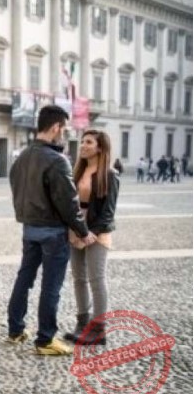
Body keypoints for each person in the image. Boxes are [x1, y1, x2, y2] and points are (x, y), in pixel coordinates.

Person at [7, 105, 95, 356]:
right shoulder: (57, 160)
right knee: (51, 286)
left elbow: (16, 190)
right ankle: (45, 340)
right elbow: (68, 202)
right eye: (64, 129)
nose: (64, 133)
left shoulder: (21, 157)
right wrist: (83, 230)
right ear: (56, 127)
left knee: (24, 278)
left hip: (29, 228)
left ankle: (15, 330)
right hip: (53, 232)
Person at [64, 130, 120, 346]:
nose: (83, 145)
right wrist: (76, 228)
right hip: (76, 228)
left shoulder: (110, 175)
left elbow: (108, 212)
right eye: (82, 142)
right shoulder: (77, 171)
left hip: (97, 232)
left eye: (88, 142)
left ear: (100, 147)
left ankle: (98, 330)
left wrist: (92, 233)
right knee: (79, 278)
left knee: (96, 279)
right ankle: (82, 324)